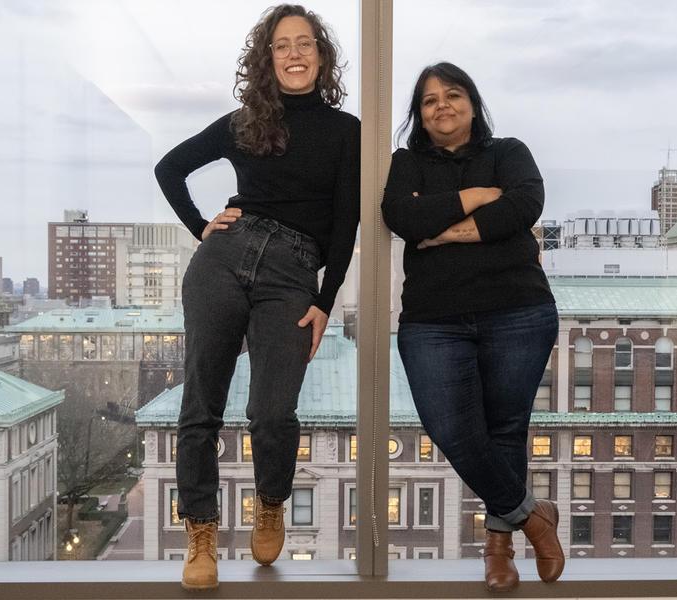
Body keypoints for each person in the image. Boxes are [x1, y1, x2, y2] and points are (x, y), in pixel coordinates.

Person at [154, 4, 359, 590]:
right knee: (200, 408)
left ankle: (270, 503)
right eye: (281, 45)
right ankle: (201, 533)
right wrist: (201, 228)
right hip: (223, 259)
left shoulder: (348, 132)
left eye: (305, 43)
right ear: (267, 58)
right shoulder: (246, 120)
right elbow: (170, 168)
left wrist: (326, 299)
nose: (294, 53)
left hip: (294, 270)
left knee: (272, 412)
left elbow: (345, 223)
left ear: (321, 55)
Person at [382, 62, 563, 592]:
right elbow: (403, 219)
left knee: (505, 429)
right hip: (433, 320)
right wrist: (482, 198)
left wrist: (446, 232)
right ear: (419, 114)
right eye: (429, 100)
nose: (441, 106)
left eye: (452, 95)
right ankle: (533, 517)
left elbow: (526, 205)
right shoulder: (405, 162)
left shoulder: (509, 152)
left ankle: (499, 548)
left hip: (518, 311)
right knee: (453, 430)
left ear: (473, 102)